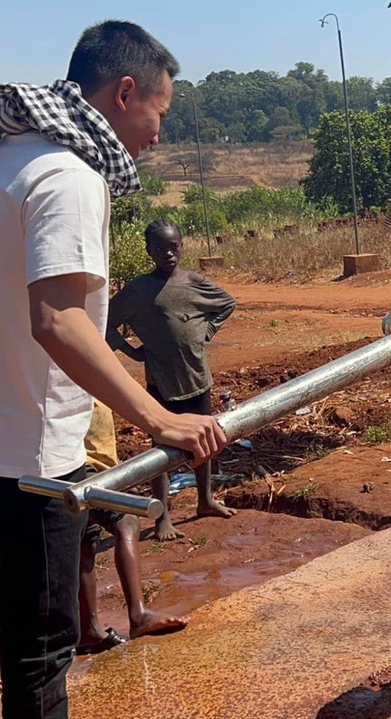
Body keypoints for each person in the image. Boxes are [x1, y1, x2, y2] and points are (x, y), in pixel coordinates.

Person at [0, 21, 226, 719]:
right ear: (125, 93)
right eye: (161, 112)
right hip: (25, 456)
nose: (159, 133)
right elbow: (57, 321)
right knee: (42, 655)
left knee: (26, 636)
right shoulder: (68, 176)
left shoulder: (3, 156)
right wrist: (160, 420)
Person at [107, 219, 238, 541]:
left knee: (204, 442)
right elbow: (105, 321)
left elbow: (226, 304)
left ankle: (205, 500)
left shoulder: (193, 282)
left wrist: (205, 331)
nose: (168, 253)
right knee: (161, 452)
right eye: (160, 248)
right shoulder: (138, 290)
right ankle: (163, 517)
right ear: (148, 250)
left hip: (197, 377)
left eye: (173, 246)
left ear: (182, 245)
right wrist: (132, 352)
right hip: (161, 383)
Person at [75, 402, 187, 655]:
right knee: (127, 520)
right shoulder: (80, 376)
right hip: (82, 469)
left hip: (90, 469)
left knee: (86, 543)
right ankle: (138, 615)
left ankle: (89, 632)